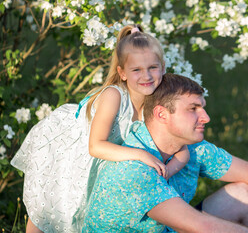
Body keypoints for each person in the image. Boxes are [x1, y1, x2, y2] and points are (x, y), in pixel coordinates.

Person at [10, 24, 190, 233]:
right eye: (136, 70)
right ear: (122, 73)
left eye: (152, 67)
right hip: (72, 149)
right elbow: (95, 146)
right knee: (53, 205)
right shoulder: (114, 96)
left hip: (108, 159)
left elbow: (182, 150)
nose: (146, 76)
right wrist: (142, 155)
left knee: (84, 213)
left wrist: (166, 171)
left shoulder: (157, 103)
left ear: (163, 67)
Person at [82, 73, 248, 233]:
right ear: (161, 114)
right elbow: (201, 226)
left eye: (203, 107)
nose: (206, 117)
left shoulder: (190, 147)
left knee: (246, 192)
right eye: (193, 109)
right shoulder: (132, 168)